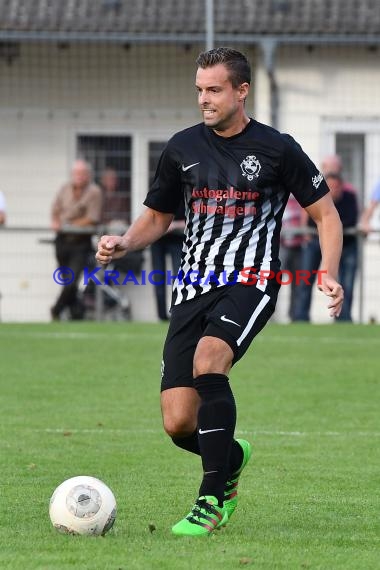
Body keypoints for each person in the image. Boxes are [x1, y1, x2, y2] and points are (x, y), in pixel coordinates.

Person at [96, 47, 343, 536]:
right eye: (199, 91)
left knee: (211, 360)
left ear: (241, 90)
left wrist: (328, 270)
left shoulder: (277, 148)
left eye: (213, 90)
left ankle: (210, 501)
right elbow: (158, 216)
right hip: (193, 286)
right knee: (178, 423)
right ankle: (231, 455)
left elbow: (326, 215)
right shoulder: (182, 148)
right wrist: (124, 241)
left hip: (251, 281)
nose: (204, 100)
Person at [294, 155, 358, 322]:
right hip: (315, 242)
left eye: (336, 187)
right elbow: (308, 214)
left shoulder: (350, 196)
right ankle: (300, 317)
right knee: (305, 279)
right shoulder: (314, 192)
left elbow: (348, 220)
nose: (333, 190)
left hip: (347, 244)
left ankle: (343, 318)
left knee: (346, 283)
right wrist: (305, 232)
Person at [51, 159, 102, 320]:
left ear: (88, 175)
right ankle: (76, 313)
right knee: (66, 279)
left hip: (80, 242)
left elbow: (92, 219)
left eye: (82, 173)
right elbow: (55, 210)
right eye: (76, 173)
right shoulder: (64, 189)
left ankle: (56, 310)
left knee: (72, 281)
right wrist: (56, 222)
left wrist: (69, 224)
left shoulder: (94, 192)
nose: (79, 176)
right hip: (62, 240)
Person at [150, 201, 185, 321]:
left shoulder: (186, 189)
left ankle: (176, 314)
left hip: (178, 238)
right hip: (158, 239)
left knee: (177, 278)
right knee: (158, 278)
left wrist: (174, 225)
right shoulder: (160, 186)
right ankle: (161, 316)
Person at [279, 194, 306, 321]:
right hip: (280, 246)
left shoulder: (302, 197)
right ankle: (269, 314)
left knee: (298, 282)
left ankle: (294, 315)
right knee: (273, 281)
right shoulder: (277, 195)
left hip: (298, 246)